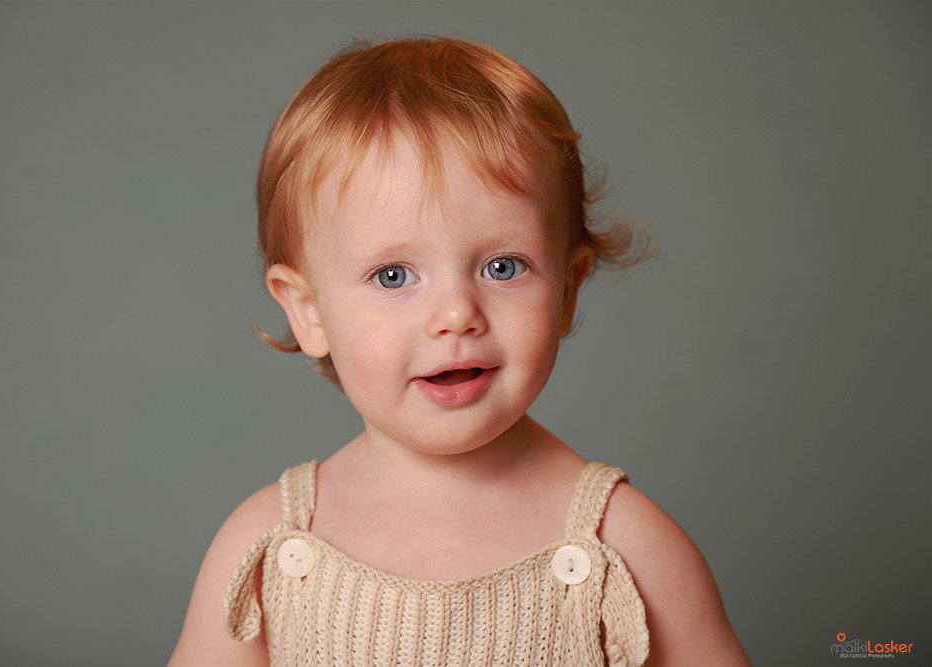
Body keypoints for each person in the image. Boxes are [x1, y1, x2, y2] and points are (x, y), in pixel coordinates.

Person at [168, 35, 750, 666]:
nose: (455, 315)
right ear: (309, 312)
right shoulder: (266, 550)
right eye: (393, 276)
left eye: (503, 266)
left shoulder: (627, 550)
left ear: (567, 290)